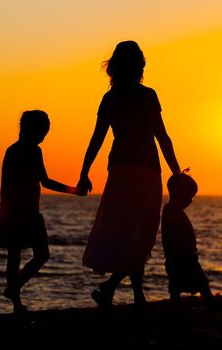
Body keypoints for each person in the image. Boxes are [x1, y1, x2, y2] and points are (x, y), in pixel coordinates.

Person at [77, 41, 181, 310]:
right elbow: (162, 137)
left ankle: (132, 295)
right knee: (140, 233)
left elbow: (96, 139)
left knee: (128, 232)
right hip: (146, 170)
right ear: (140, 65)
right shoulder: (148, 95)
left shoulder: (110, 98)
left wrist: (84, 172)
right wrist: (176, 171)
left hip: (121, 171)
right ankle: (114, 289)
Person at [0, 110, 81, 314]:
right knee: (40, 255)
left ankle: (15, 299)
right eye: (43, 132)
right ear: (33, 129)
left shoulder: (11, 150)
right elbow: (45, 181)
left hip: (12, 211)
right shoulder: (32, 151)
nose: (44, 136)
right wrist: (73, 191)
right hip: (25, 212)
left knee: (14, 257)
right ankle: (14, 293)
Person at [161, 172, 214, 313]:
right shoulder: (171, 212)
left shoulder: (173, 211)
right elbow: (172, 236)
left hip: (185, 256)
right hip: (180, 257)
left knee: (189, 283)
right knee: (189, 284)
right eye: (189, 197)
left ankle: (208, 305)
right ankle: (209, 305)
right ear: (179, 194)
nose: (190, 201)